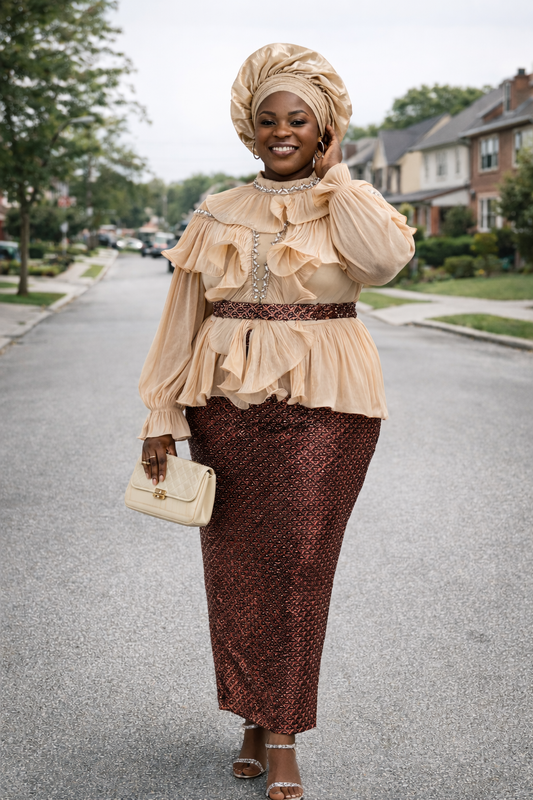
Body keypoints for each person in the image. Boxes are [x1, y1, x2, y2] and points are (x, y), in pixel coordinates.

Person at [138, 43, 415, 800]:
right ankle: (252, 718)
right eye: (268, 120)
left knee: (297, 568)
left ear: (323, 128)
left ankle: (284, 732)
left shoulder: (348, 204)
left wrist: (340, 177)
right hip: (224, 412)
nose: (281, 130)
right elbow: (180, 321)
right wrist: (160, 414)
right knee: (233, 572)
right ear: (249, 129)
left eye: (299, 120)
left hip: (328, 413)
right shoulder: (218, 210)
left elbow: (386, 262)